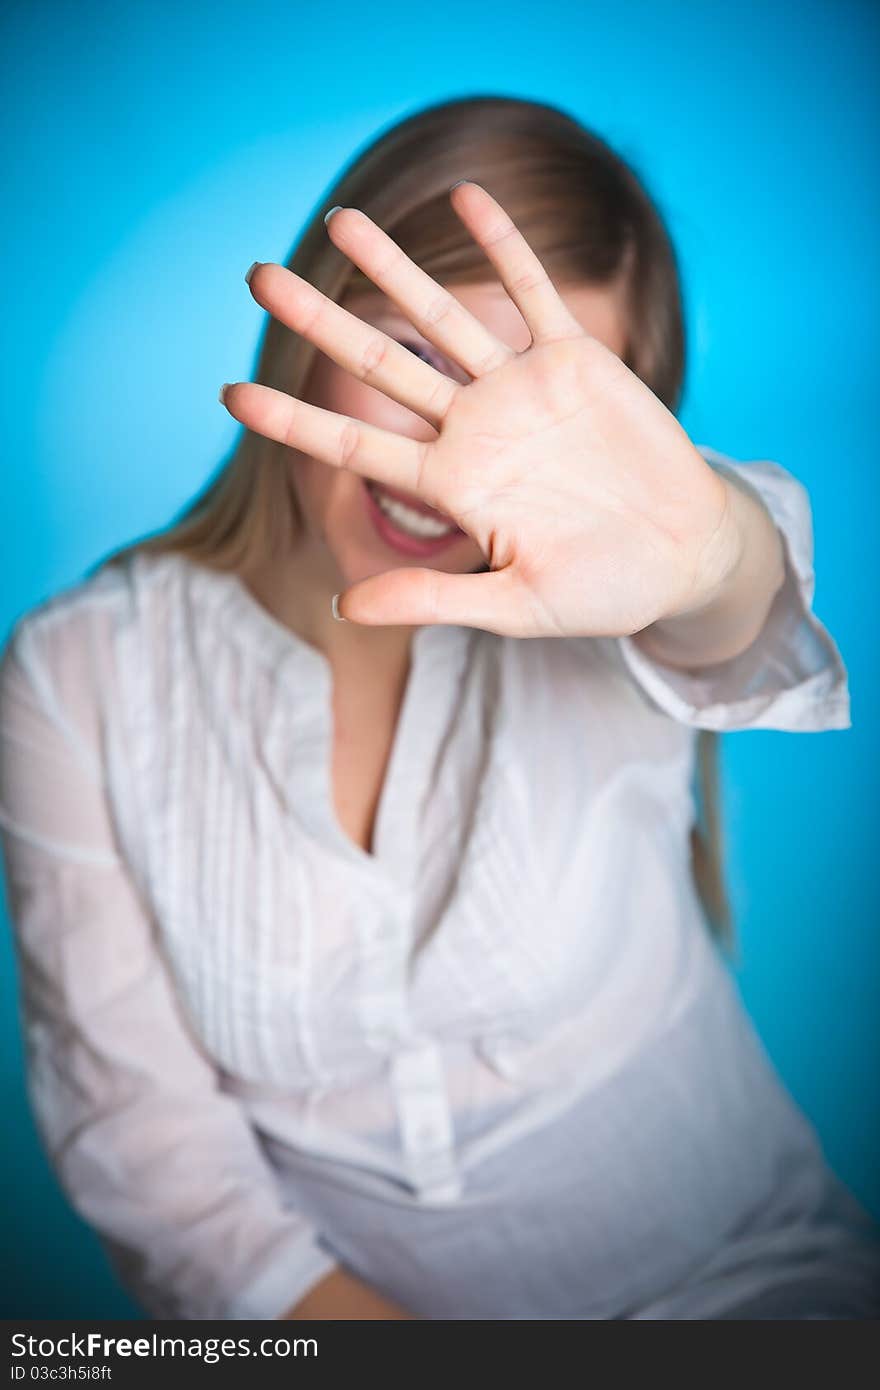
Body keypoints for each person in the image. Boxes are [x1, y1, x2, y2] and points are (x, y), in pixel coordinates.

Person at [1, 94, 878, 1322]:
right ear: (314, 331)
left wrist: (700, 549)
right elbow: (159, 1171)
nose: (455, 449)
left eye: (533, 402)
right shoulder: (76, 679)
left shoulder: (624, 608)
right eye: (417, 359)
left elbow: (737, 605)